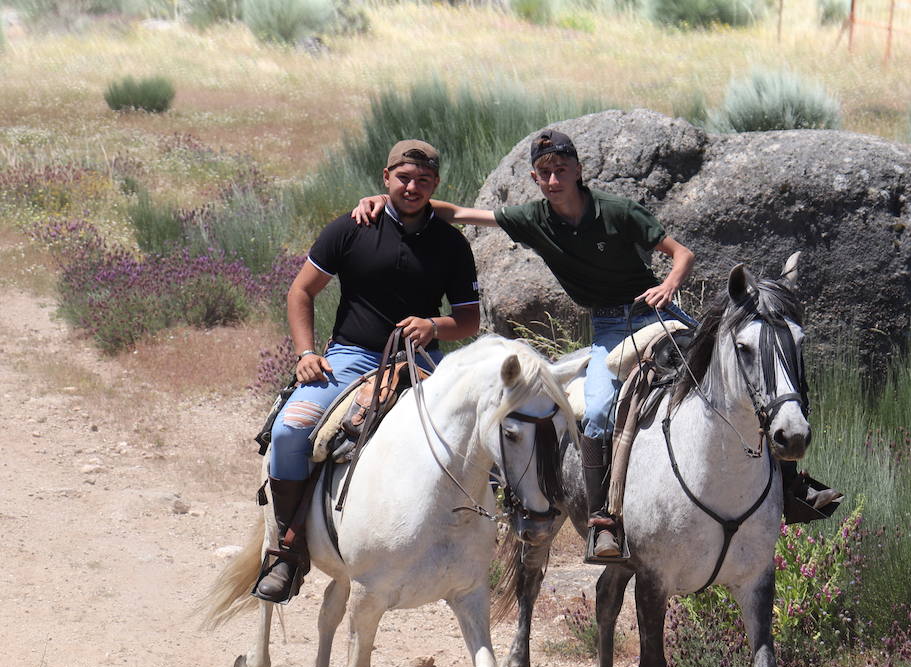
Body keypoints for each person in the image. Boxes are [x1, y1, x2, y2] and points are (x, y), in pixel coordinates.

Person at [354, 128, 695, 560]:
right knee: (597, 409)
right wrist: (386, 202)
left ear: (578, 171)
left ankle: (790, 484)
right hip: (610, 326)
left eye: (561, 170)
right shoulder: (534, 218)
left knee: (734, 370)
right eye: (545, 173)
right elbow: (460, 213)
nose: (554, 180)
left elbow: (681, 253)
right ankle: (604, 521)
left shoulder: (616, 211)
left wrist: (669, 284)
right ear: (535, 178)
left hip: (658, 311)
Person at [254, 139, 481, 603]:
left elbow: (468, 320)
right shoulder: (351, 228)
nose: (412, 187)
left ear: (435, 184)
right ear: (386, 178)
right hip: (351, 358)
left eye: (422, 180)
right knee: (290, 434)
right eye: (404, 178)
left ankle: (475, 544)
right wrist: (304, 353)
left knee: (478, 439)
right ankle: (286, 553)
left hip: (418, 362)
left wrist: (432, 324)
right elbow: (301, 291)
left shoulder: (452, 244)